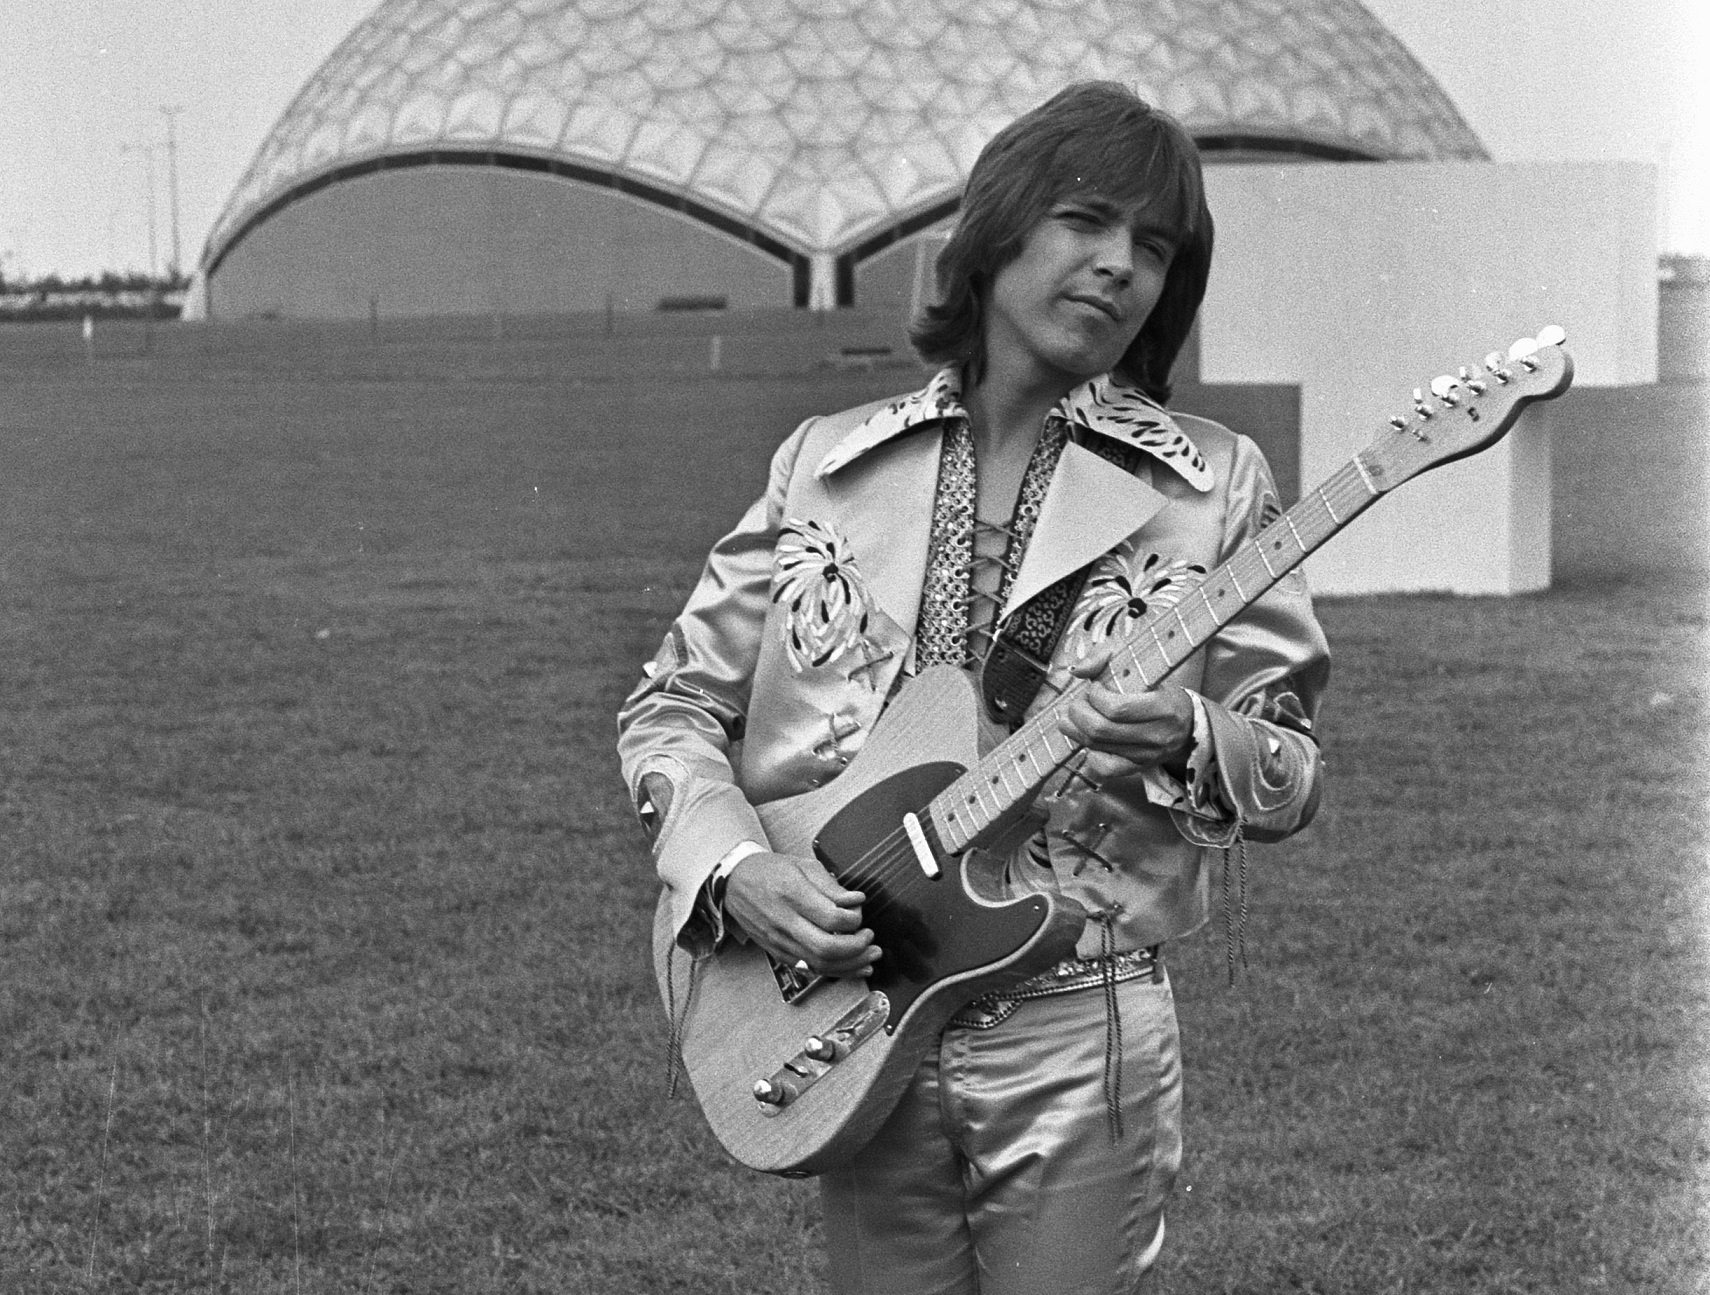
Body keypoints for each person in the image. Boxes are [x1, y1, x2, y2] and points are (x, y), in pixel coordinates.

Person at [617, 81, 1329, 1295]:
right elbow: (672, 705)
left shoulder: (1216, 483)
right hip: (856, 1012)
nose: (1118, 267)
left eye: (1154, 248)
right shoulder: (825, 467)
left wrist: (1191, 733)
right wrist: (738, 871)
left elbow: (1291, 770)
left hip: (1082, 1024)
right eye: (1085, 221)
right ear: (996, 231)